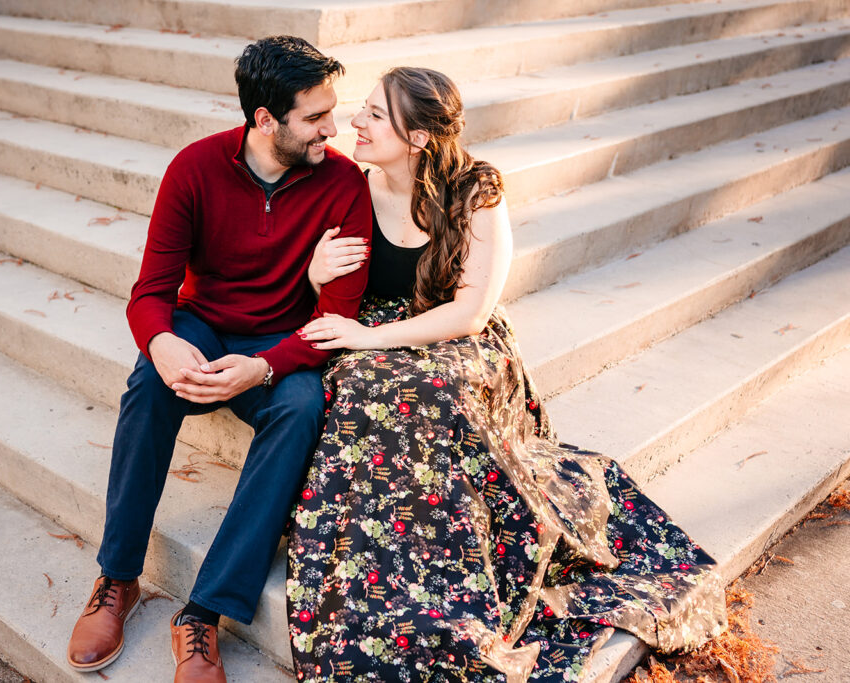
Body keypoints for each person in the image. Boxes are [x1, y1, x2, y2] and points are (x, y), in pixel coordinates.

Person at [286, 67, 727, 682]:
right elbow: (318, 287)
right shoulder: (349, 186)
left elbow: (471, 311)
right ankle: (386, 555)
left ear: (418, 138)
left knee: (433, 391)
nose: (355, 123)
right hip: (375, 328)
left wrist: (373, 338)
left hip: (457, 335)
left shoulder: (475, 194)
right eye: (360, 110)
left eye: (374, 114)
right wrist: (315, 276)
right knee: (358, 386)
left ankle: (460, 559)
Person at [65, 36, 373, 682]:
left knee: (302, 405)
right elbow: (150, 292)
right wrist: (164, 340)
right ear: (265, 119)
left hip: (281, 341)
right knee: (151, 379)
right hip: (201, 327)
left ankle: (202, 613)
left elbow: (334, 320)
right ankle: (118, 576)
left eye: (332, 111)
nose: (333, 128)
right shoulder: (195, 168)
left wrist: (265, 366)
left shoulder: (343, 183)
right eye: (315, 117)